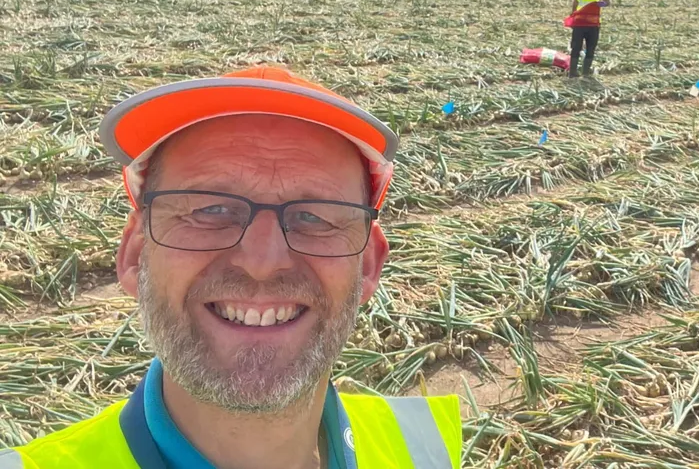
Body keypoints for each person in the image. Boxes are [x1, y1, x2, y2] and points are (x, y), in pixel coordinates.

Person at [0, 66, 461, 468]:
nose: (262, 263)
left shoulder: (427, 450)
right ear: (135, 254)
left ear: (368, 265)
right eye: (209, 210)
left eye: (314, 216)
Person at [568, 0, 611, 78]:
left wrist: (604, 3)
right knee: (576, 46)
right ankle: (572, 72)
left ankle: (585, 73)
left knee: (591, 47)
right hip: (580, 21)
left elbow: (607, 1)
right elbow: (576, 1)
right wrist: (572, 16)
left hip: (594, 22)